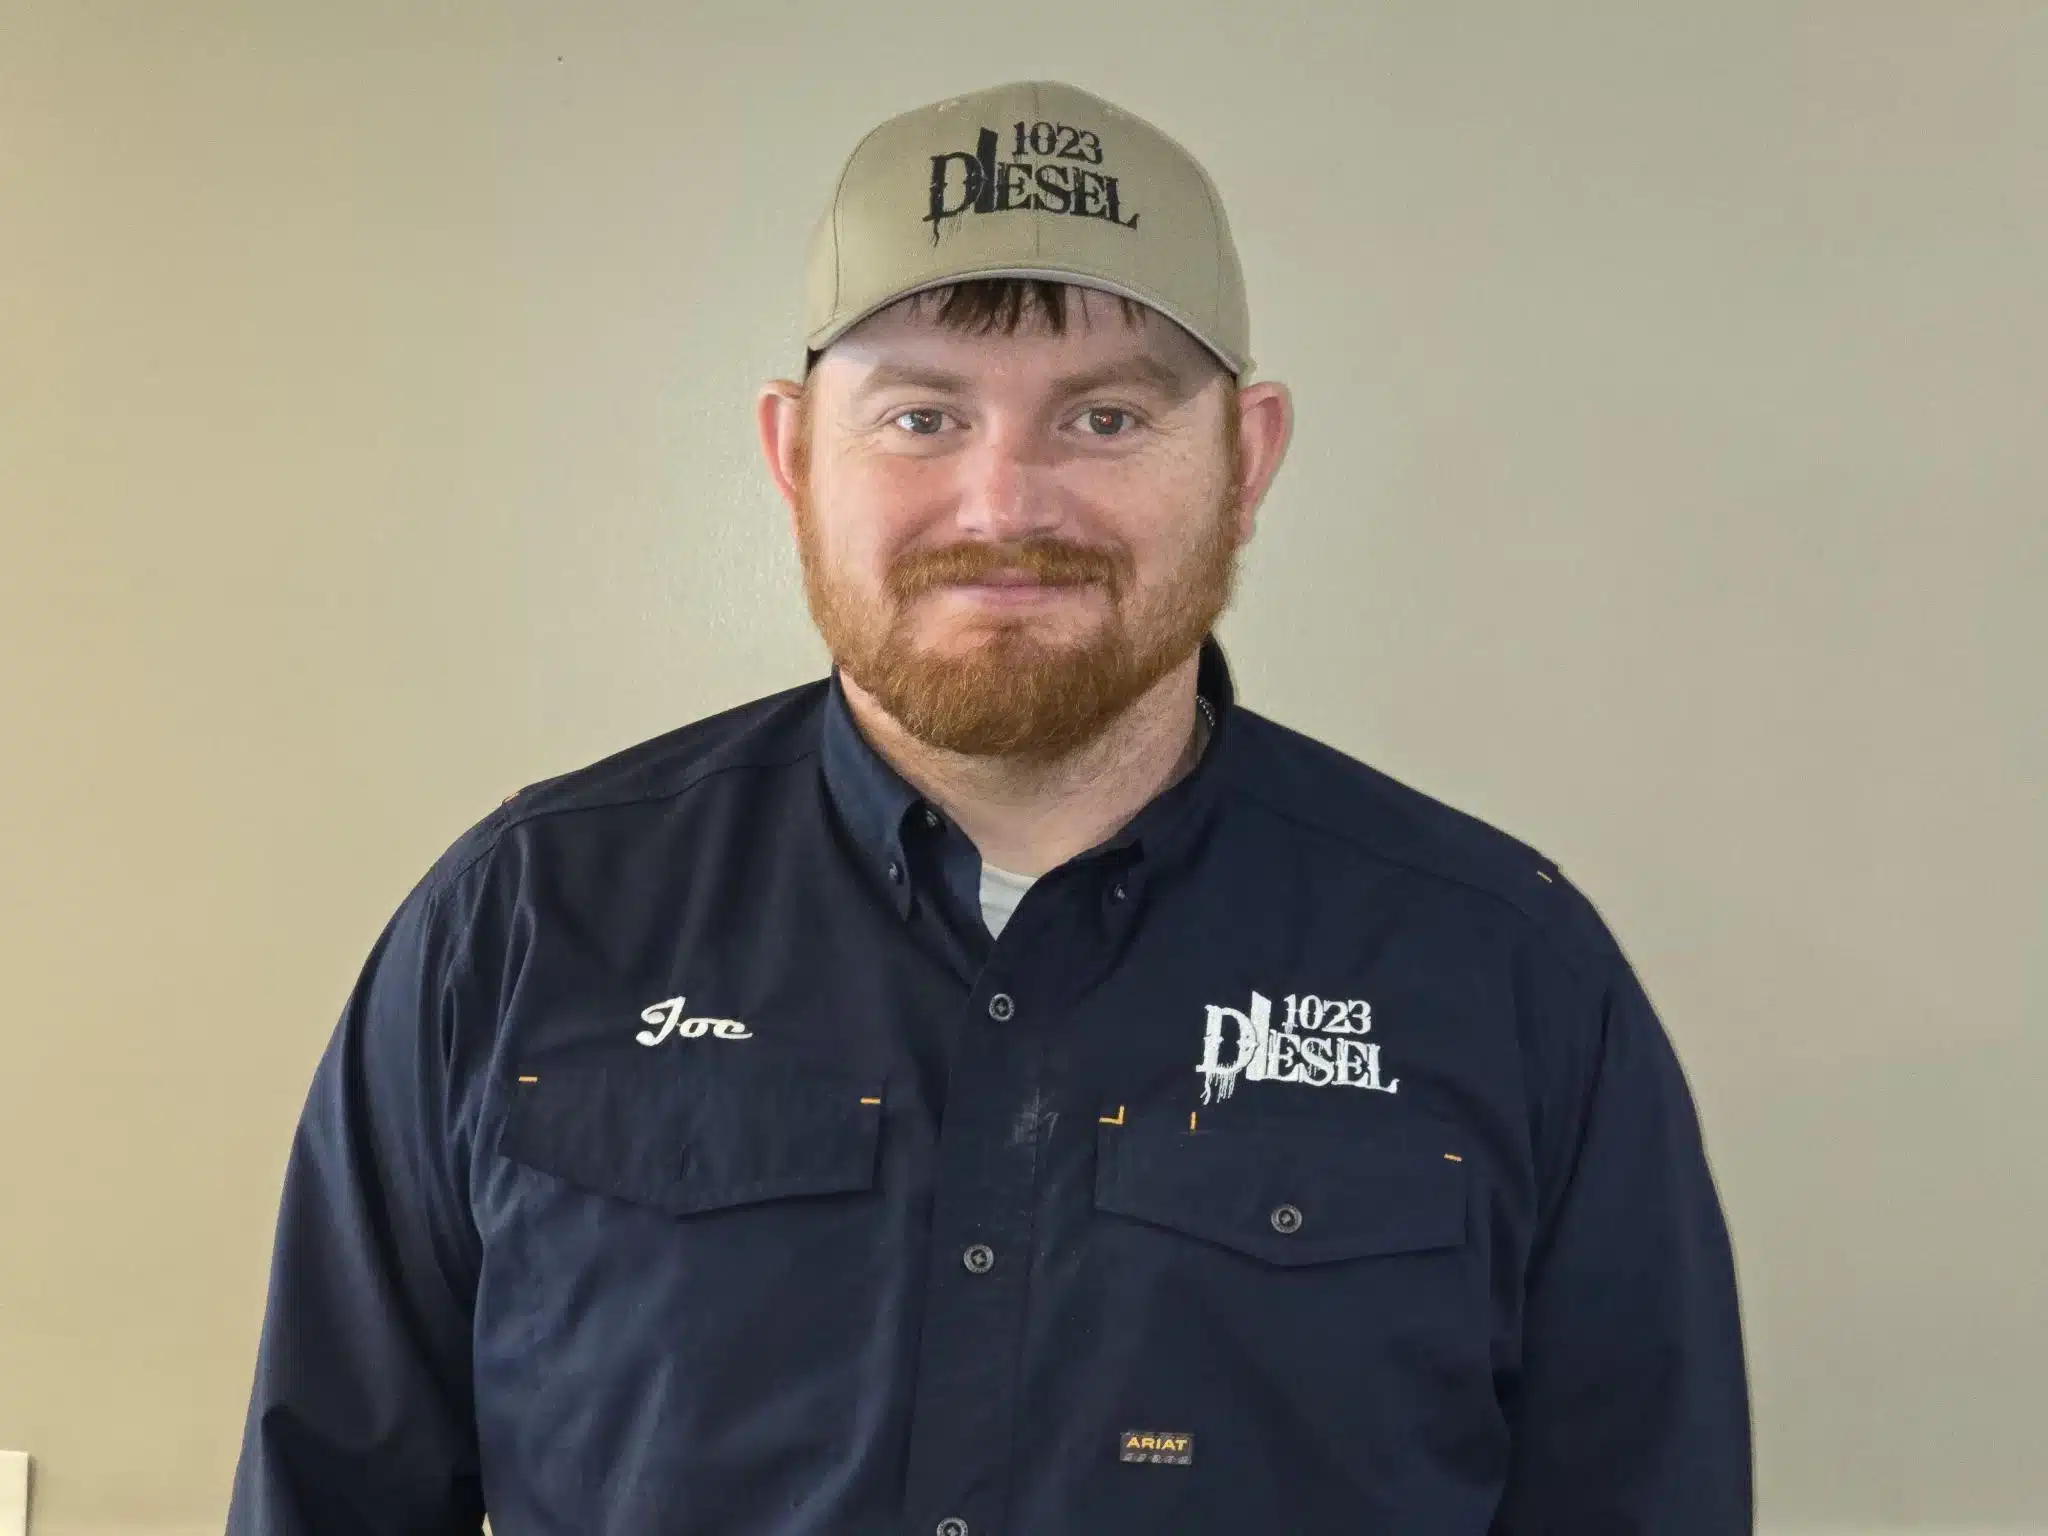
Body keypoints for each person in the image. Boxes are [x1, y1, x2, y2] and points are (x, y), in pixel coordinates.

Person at [227, 79, 1752, 1535]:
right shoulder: (525, 924)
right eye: (921, 417)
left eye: (1105, 418)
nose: (1006, 505)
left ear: (1247, 458)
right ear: (792, 452)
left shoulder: (1503, 969)